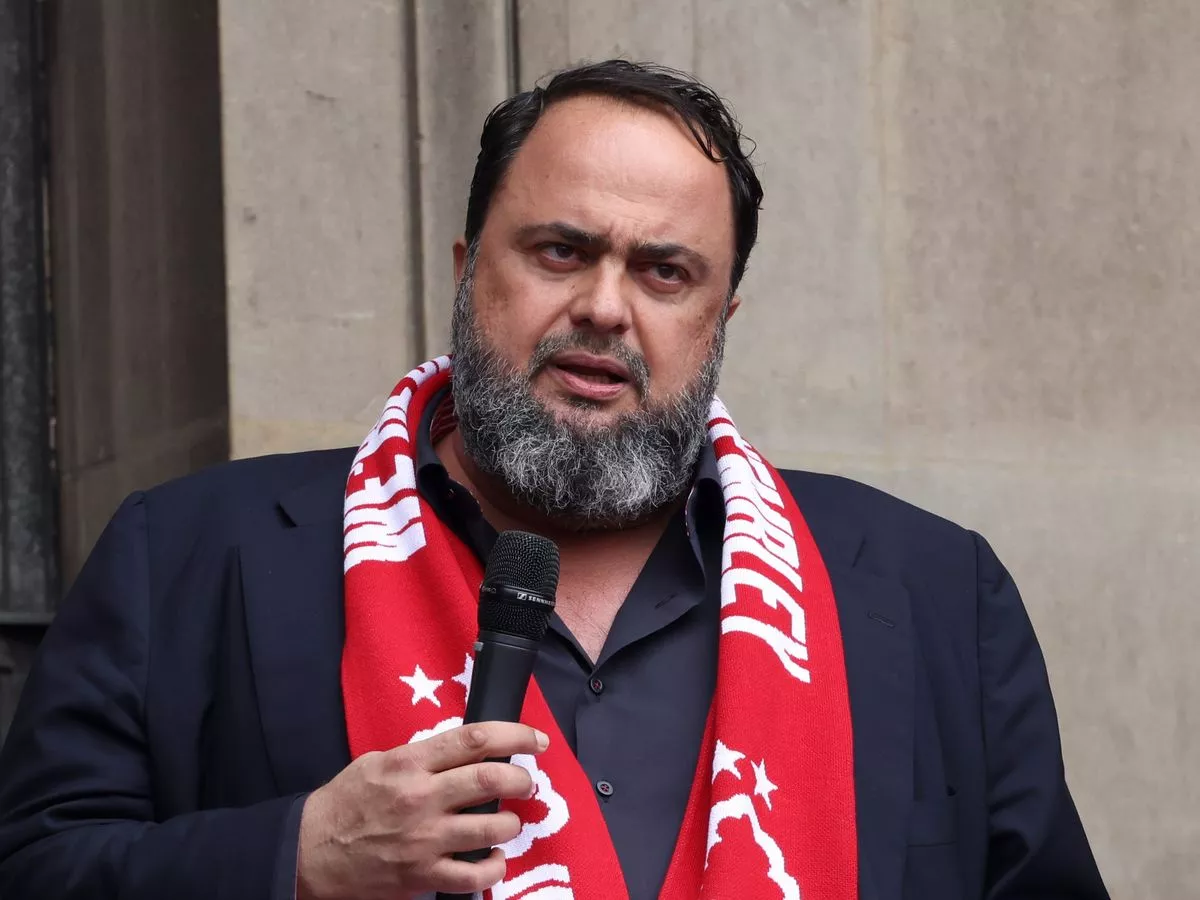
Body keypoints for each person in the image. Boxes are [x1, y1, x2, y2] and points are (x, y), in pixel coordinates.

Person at [0, 60, 1108, 900]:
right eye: (562, 251)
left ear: (720, 318)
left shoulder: (930, 594)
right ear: (466, 270)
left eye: (664, 272)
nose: (605, 309)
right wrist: (297, 855)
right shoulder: (191, 555)